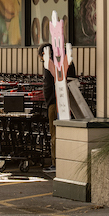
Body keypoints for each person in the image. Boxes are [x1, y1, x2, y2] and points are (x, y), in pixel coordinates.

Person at [39, 42, 76, 172]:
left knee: (55, 132)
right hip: (68, 102)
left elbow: (48, 87)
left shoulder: (49, 65)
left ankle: (56, 162)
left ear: (44, 53)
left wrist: (49, 102)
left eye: (41, 57)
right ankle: (66, 160)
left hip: (55, 103)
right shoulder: (65, 62)